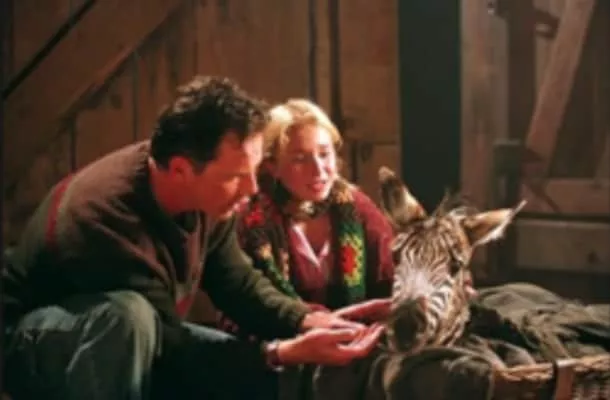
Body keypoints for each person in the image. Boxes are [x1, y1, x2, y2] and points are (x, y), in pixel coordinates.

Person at [2, 76, 384, 400]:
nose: (252, 189)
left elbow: (237, 283)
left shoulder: (205, 196)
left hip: (146, 333)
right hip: (32, 342)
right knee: (128, 317)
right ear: (182, 169)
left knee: (255, 373)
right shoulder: (102, 221)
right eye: (236, 176)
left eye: (253, 172)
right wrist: (279, 353)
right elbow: (170, 348)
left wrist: (307, 321)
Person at [224, 98, 395, 336]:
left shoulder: (358, 210)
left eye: (324, 154)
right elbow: (236, 311)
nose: (318, 169)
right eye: (299, 159)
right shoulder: (250, 221)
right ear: (272, 165)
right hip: (284, 347)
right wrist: (311, 324)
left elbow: (392, 287)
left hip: (360, 342)